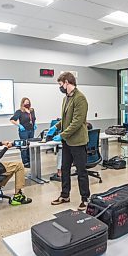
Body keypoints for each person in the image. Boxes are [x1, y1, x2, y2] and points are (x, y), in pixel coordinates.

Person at [50, 72, 90, 210]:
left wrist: (62, 134)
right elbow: (65, 119)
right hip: (67, 141)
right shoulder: (66, 98)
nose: (60, 87)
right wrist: (55, 127)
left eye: (61, 84)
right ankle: (64, 195)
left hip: (78, 141)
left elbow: (77, 122)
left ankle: (85, 198)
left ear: (67, 82)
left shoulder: (80, 98)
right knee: (64, 168)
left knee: (81, 171)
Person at [10, 97, 37, 168]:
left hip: (31, 130)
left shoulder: (32, 110)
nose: (27, 103)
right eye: (26, 102)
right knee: (24, 146)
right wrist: (19, 125)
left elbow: (34, 118)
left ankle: (30, 160)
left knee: (30, 145)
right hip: (24, 131)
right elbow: (12, 120)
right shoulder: (19, 111)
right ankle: (25, 162)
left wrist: (35, 124)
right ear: (22, 103)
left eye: (28, 102)